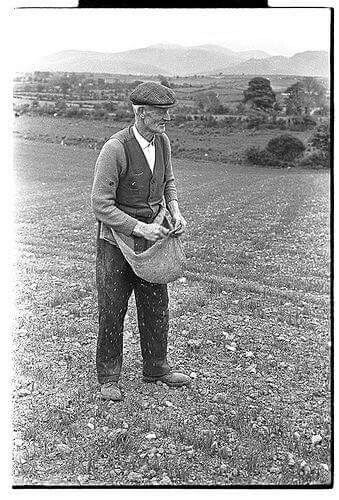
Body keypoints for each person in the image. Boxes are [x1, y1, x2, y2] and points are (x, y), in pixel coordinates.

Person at [91, 81, 191, 401]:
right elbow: (101, 205)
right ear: (141, 113)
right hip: (116, 243)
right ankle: (109, 377)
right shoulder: (115, 148)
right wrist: (138, 228)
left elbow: (169, 181)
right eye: (160, 114)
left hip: (152, 238)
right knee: (112, 308)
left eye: (167, 114)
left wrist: (174, 211)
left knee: (156, 305)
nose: (166, 120)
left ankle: (156, 368)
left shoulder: (162, 142)